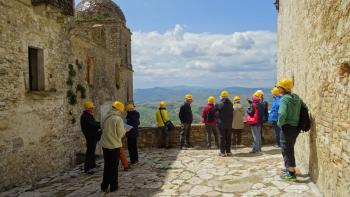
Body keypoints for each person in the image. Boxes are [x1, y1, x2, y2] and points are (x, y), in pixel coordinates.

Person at [277, 78, 305, 181]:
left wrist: (280, 123)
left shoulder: (284, 99)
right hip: (296, 127)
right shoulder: (296, 97)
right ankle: (289, 168)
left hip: (287, 126)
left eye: (279, 87)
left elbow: (282, 113)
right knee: (290, 147)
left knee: (286, 148)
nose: (278, 89)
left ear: (283, 88)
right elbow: (304, 107)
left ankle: (291, 172)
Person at [100, 101, 130, 193]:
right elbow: (120, 134)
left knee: (107, 166)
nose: (121, 112)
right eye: (121, 111)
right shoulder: (117, 119)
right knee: (114, 167)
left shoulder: (105, 117)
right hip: (114, 145)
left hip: (105, 145)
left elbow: (102, 128)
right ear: (119, 110)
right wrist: (126, 130)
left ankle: (104, 185)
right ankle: (114, 186)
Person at [80, 101, 101, 174]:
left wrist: (100, 123)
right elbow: (93, 125)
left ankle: (92, 165)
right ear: (88, 108)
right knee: (90, 152)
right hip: (91, 136)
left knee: (92, 151)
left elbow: (94, 123)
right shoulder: (86, 117)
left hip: (91, 136)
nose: (93, 109)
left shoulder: (87, 116)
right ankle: (87, 168)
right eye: (92, 108)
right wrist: (101, 125)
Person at [217, 91, 234, 157]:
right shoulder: (231, 104)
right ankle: (228, 151)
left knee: (222, 138)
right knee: (228, 138)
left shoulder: (219, 104)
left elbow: (215, 111)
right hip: (229, 124)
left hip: (221, 124)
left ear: (221, 96)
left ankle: (222, 152)